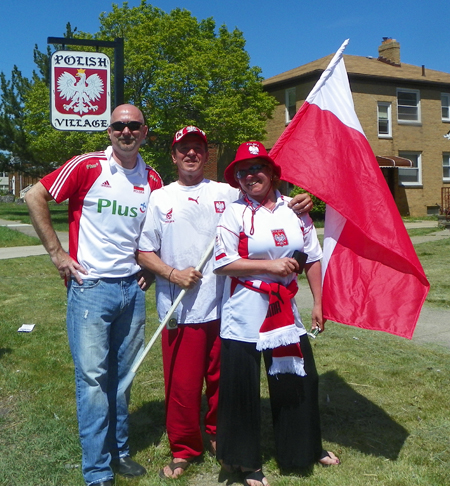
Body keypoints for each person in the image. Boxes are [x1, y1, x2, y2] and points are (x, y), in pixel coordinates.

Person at [137, 126, 313, 480]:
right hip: (181, 307)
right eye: (183, 149)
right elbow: (144, 252)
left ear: (206, 155)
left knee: (224, 383)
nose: (191, 154)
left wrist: (300, 199)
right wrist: (171, 274)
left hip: (228, 307)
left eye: (197, 149)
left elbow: (266, 193)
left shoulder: (226, 191)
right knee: (183, 386)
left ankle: (222, 436)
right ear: (173, 156)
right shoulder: (160, 198)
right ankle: (185, 447)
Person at [25, 104, 163, 486]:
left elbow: (157, 232)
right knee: (93, 380)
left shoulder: (153, 179)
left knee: (123, 377)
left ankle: (119, 451)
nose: (126, 131)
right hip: (91, 290)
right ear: (109, 130)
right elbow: (35, 196)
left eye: (134, 125)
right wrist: (57, 254)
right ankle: (97, 469)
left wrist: (150, 270)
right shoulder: (87, 166)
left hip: (131, 291)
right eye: (119, 125)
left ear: (145, 131)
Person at [213, 141, 339, 486]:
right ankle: (245, 463)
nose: (250, 175)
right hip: (244, 313)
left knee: (299, 379)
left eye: (257, 168)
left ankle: (304, 448)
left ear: (271, 172)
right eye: (243, 171)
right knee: (241, 389)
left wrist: (319, 302)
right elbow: (222, 263)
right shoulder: (233, 212)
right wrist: (270, 265)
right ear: (236, 178)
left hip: (284, 310)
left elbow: (311, 257)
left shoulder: (294, 209)